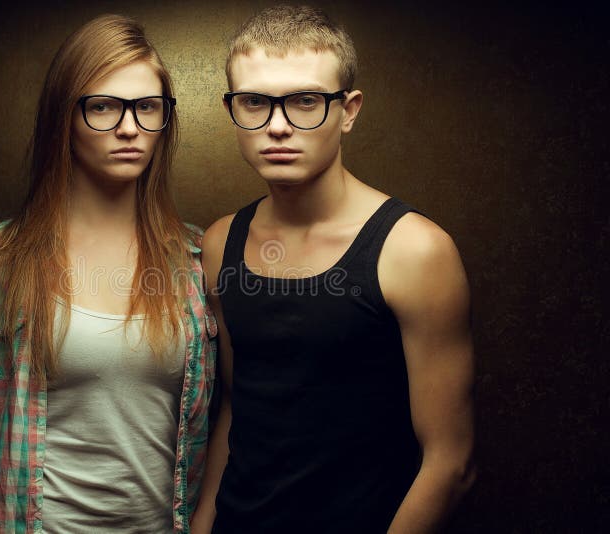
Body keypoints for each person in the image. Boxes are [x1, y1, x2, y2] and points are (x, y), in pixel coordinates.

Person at [192, 5, 476, 533]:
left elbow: (450, 463)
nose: (277, 127)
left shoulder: (414, 250)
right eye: (255, 102)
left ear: (348, 110)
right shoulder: (219, 242)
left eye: (305, 102)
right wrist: (203, 523)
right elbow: (235, 406)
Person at [0, 14, 217, 533]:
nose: (129, 127)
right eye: (104, 106)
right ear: (63, 117)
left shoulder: (201, 261)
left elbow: (237, 425)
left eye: (147, 108)